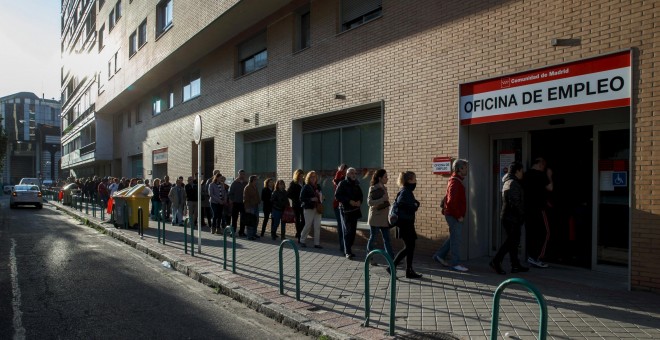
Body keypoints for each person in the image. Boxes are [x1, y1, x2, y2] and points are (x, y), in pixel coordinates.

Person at [490, 161, 529, 275]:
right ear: (517, 171)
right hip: (512, 218)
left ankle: (515, 265)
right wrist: (522, 215)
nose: (523, 173)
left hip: (509, 217)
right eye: (522, 171)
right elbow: (515, 203)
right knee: (511, 241)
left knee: (514, 242)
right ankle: (496, 261)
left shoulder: (508, 182)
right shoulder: (513, 183)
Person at [434, 159, 469, 272]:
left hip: (453, 214)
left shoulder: (457, 180)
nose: (467, 170)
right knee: (456, 239)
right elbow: (451, 202)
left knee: (454, 237)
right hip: (454, 215)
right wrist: (458, 216)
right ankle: (455, 263)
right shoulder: (455, 182)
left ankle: (439, 255)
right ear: (459, 169)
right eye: (465, 167)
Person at [390, 171, 422, 279]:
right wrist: (414, 205)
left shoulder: (406, 191)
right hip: (404, 224)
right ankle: (392, 267)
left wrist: (414, 204)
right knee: (409, 247)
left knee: (410, 247)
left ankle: (409, 271)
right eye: (414, 179)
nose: (416, 181)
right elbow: (402, 204)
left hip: (407, 223)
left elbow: (410, 203)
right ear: (409, 180)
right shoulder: (405, 191)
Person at [524, 157, 553, 268]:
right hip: (539, 209)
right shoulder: (541, 175)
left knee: (531, 233)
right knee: (546, 232)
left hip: (527, 209)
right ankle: (537, 257)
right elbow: (550, 187)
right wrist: (549, 175)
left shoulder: (525, 175)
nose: (544, 168)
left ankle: (532, 256)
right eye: (544, 166)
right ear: (540, 164)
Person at [366, 169, 395, 263]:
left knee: (387, 239)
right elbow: (369, 202)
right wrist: (382, 199)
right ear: (380, 178)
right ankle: (369, 257)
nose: (387, 178)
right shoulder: (373, 188)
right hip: (375, 217)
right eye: (385, 177)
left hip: (384, 218)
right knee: (373, 237)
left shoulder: (384, 187)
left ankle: (391, 259)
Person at [335, 167, 363, 259]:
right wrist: (349, 201)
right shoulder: (342, 183)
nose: (354, 175)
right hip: (345, 210)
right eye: (351, 173)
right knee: (347, 230)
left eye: (355, 173)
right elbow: (337, 196)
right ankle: (347, 251)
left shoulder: (356, 183)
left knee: (353, 231)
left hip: (354, 210)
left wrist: (359, 201)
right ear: (347, 174)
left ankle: (349, 249)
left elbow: (361, 195)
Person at [299, 170, 323, 248]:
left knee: (317, 226)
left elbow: (320, 196)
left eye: (314, 177)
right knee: (308, 225)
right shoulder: (306, 186)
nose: (313, 178)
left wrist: (322, 198)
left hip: (317, 208)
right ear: (308, 178)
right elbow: (301, 198)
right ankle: (302, 240)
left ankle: (317, 243)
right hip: (309, 208)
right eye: (311, 177)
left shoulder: (318, 186)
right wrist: (311, 199)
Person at [332, 164, 347, 253]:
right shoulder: (338, 180)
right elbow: (336, 182)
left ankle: (345, 246)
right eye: (343, 170)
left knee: (345, 227)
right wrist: (339, 171)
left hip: (346, 206)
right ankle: (342, 246)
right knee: (341, 227)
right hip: (337, 206)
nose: (344, 172)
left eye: (344, 170)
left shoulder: (346, 180)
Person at [287, 169, 305, 241]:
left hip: (303, 204)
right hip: (296, 204)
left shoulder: (304, 183)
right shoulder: (293, 183)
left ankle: (298, 232)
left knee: (304, 220)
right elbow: (288, 194)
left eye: (302, 176)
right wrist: (296, 199)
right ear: (297, 176)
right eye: (300, 176)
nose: (301, 177)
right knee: (297, 219)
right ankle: (299, 236)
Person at [228, 170, 248, 236]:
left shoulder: (246, 183)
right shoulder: (234, 183)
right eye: (241, 174)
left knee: (243, 218)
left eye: (243, 174)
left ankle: (241, 232)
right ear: (238, 174)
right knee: (234, 218)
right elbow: (230, 193)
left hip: (243, 203)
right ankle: (233, 232)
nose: (242, 175)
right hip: (235, 203)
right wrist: (232, 200)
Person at [243, 175, 261, 240]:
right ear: (252, 180)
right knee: (250, 221)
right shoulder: (247, 187)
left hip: (256, 205)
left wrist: (259, 201)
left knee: (256, 220)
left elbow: (257, 195)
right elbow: (245, 199)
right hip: (250, 206)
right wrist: (247, 208)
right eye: (256, 180)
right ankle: (249, 235)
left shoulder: (255, 187)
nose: (257, 181)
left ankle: (254, 233)